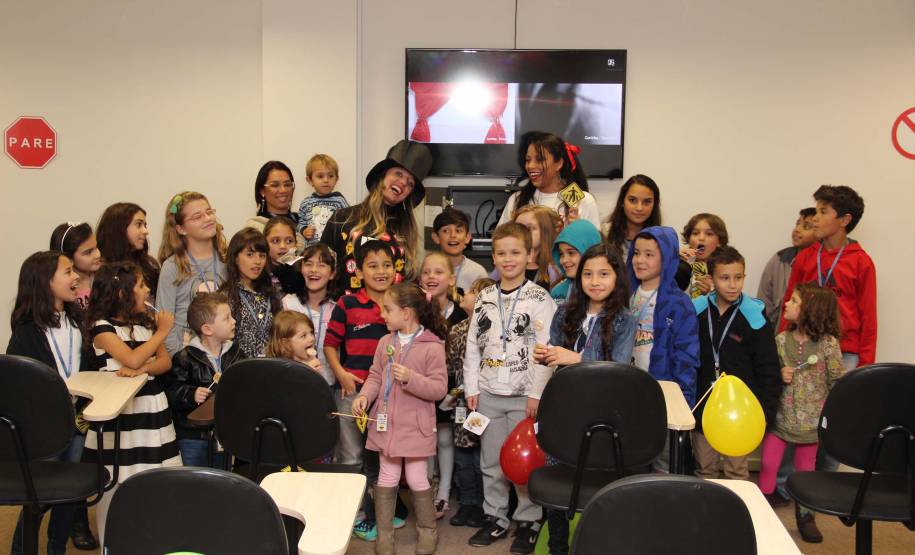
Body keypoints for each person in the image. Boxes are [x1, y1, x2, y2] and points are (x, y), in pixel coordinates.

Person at [534, 243, 636, 555]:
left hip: (602, 414)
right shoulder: (565, 311)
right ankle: (557, 546)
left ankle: (598, 543)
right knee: (557, 477)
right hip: (564, 409)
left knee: (598, 482)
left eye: (604, 274)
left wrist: (575, 358)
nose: (595, 281)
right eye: (588, 274)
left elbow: (618, 368)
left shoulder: (624, 320)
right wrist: (546, 354)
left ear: (617, 277)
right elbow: (555, 352)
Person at [463, 222, 557, 553]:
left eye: (515, 252)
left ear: (529, 255)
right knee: (491, 461)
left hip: (523, 396)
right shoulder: (485, 296)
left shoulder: (539, 298)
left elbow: (547, 350)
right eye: (501, 253)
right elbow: (472, 346)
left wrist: (536, 394)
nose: (508, 259)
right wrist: (471, 387)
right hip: (489, 393)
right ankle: (496, 516)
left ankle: (529, 520)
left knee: (524, 462)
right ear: (493, 257)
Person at [83, 262, 181, 543]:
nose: (148, 290)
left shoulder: (145, 325)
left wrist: (143, 369)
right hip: (121, 416)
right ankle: (112, 543)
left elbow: (164, 362)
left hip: (151, 411)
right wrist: (162, 332)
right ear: (122, 293)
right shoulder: (102, 328)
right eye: (141, 285)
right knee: (117, 480)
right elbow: (132, 358)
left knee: (154, 477)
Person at [351, 283, 448, 555]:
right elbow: (375, 376)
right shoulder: (385, 342)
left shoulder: (432, 347)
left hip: (416, 427)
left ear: (406, 313)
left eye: (387, 309)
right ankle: (384, 535)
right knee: (387, 476)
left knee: (417, 478)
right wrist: (364, 396)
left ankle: (428, 531)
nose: (382, 314)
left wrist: (411, 378)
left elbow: (439, 389)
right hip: (387, 425)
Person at [7, 252, 91, 555]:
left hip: (78, 422)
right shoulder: (26, 332)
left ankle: (57, 548)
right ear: (45, 282)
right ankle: (21, 550)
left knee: (69, 492)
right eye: (67, 272)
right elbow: (19, 385)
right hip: (44, 430)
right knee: (39, 496)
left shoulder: (78, 321)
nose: (76, 277)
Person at [323, 240, 407, 539]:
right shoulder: (347, 305)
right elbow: (330, 345)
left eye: (386, 265)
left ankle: (380, 513)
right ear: (358, 272)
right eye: (372, 266)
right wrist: (341, 374)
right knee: (351, 456)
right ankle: (356, 515)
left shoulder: (400, 306)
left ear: (395, 270)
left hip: (389, 397)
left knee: (384, 457)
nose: (380, 271)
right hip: (353, 393)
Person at [760, 283, 843, 543]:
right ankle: (761, 511)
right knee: (768, 464)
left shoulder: (828, 345)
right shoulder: (780, 340)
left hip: (810, 425)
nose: (786, 304)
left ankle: (806, 517)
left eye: (794, 301)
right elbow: (767, 374)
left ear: (811, 310)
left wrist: (832, 416)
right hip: (780, 419)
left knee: (805, 472)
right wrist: (778, 374)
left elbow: (836, 382)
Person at [691, 246, 781, 480]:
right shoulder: (696, 311)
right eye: (725, 278)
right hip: (704, 406)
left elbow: (768, 368)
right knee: (705, 469)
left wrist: (765, 412)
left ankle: (738, 504)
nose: (732, 285)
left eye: (738, 277)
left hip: (742, 409)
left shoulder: (754, 316)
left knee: (736, 471)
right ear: (711, 279)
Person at [781, 185, 876, 371]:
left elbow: (868, 317)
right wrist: (782, 349)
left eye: (823, 212)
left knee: (843, 391)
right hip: (806, 347)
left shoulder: (861, 262)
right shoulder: (805, 258)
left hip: (846, 352)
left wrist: (866, 364)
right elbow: (788, 302)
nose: (815, 218)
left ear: (844, 220)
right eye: (816, 211)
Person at [321, 140, 433, 295]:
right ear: (382, 176)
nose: (402, 183)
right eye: (398, 174)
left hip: (389, 309)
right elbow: (321, 266)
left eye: (410, 183)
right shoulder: (342, 218)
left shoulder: (406, 231)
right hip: (344, 307)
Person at [165, 292, 242, 468]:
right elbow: (172, 391)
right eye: (227, 318)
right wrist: (190, 394)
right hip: (193, 436)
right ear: (207, 329)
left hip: (225, 433)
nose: (234, 321)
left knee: (222, 475)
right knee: (194, 478)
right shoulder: (184, 358)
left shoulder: (237, 353)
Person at [418, 252, 468, 518]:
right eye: (426, 272)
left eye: (438, 272)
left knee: (445, 437)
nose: (431, 277)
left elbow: (466, 360)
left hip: (451, 386)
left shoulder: (460, 315)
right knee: (425, 437)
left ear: (451, 279)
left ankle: (444, 493)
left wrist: (455, 392)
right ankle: (425, 487)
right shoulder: (416, 312)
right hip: (421, 384)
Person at [627, 227, 699, 408]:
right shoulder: (625, 295)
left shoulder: (679, 304)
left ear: (667, 258)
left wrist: (683, 404)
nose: (640, 260)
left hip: (662, 395)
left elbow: (686, 357)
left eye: (649, 255)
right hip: (627, 389)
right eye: (636, 253)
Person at [446, 277, 495, 530]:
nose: (465, 293)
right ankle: (467, 502)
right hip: (460, 403)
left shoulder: (491, 329)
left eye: (472, 291)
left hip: (483, 401)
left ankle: (483, 505)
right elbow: (451, 366)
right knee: (462, 455)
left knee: (480, 456)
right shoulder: (456, 329)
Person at [156, 192, 228, 355]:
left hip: (224, 351)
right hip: (186, 354)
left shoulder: (227, 259)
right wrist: (179, 359)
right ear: (181, 229)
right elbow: (165, 321)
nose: (208, 219)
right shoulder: (172, 267)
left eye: (209, 212)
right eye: (197, 217)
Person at [497, 131, 600, 229]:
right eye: (528, 160)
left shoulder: (581, 200)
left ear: (559, 163)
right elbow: (500, 238)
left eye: (540, 160)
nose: (531, 166)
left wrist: (578, 231)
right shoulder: (517, 200)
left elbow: (595, 241)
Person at [220, 228, 281, 358]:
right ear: (235, 258)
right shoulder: (225, 296)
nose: (258, 261)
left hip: (272, 366)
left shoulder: (272, 293)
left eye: (262, 255)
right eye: (250, 255)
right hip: (239, 367)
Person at [282, 243, 337, 386]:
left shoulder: (337, 309)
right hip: (295, 382)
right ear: (301, 268)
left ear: (332, 273)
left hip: (330, 385)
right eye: (308, 264)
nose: (314, 270)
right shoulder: (288, 304)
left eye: (321, 265)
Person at [756, 208, 817, 326]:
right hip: (778, 331)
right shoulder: (779, 259)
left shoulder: (821, 264)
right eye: (797, 224)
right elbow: (764, 299)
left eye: (806, 227)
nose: (797, 230)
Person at [97, 202, 160, 297]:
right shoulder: (101, 269)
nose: (145, 231)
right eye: (139, 224)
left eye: (145, 225)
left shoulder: (150, 265)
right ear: (119, 228)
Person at [245, 160, 305, 253]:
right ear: (262, 191)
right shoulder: (255, 228)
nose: (283, 190)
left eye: (287, 184)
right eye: (275, 185)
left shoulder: (305, 220)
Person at [431, 207, 488, 294]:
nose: (453, 235)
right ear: (436, 237)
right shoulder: (428, 270)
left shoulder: (478, 273)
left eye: (458, 231)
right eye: (446, 231)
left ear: (467, 237)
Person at [602, 174, 661, 258]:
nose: (639, 208)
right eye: (633, 200)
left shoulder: (661, 239)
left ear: (654, 205)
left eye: (647, 201)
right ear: (622, 202)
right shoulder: (605, 233)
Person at [297, 153, 349, 247]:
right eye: (320, 176)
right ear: (310, 180)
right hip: (312, 249)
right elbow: (300, 222)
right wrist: (304, 230)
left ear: (336, 179)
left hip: (333, 248)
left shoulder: (340, 201)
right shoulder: (306, 203)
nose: (326, 180)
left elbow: (348, 221)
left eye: (331, 176)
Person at [507, 204, 563, 290]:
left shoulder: (559, 267)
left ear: (546, 231)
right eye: (517, 228)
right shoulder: (505, 263)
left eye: (529, 228)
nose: (521, 233)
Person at [49, 222, 102, 310]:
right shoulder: (61, 292)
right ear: (68, 258)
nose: (98, 254)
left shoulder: (105, 278)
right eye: (88, 252)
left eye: (96, 247)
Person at [549, 219, 602, 303]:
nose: (564, 260)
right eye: (561, 254)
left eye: (571, 253)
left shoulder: (606, 291)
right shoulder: (558, 293)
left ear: (590, 251)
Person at [681, 213, 729, 299]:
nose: (701, 238)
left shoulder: (725, 272)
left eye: (709, 234)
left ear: (719, 241)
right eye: (695, 233)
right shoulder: (679, 264)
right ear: (688, 239)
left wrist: (710, 294)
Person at [263, 216, 305, 295]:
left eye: (289, 241)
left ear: (296, 244)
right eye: (276, 241)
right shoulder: (259, 273)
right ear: (264, 243)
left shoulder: (303, 271)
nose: (283, 246)